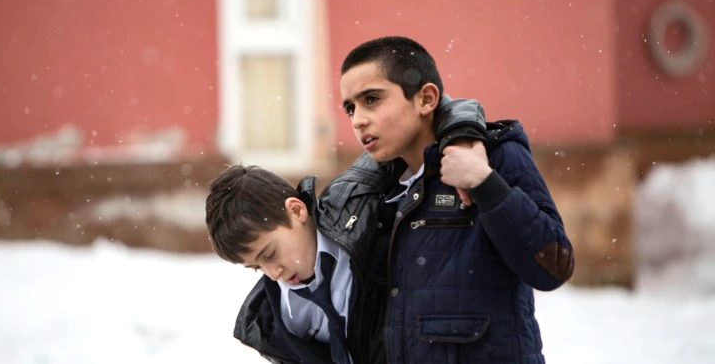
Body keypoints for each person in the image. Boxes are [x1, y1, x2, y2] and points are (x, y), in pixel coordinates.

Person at [339, 36, 575, 363]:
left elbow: (554, 266)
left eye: (372, 99)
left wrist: (485, 183)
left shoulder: (496, 156)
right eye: (350, 107)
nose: (357, 120)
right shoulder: (377, 193)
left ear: (426, 99)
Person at [206, 96, 487, 364]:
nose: (273, 273)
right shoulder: (276, 319)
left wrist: (460, 140)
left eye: (270, 253)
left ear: (296, 210)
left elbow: (431, 110)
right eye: (256, 267)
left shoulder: (355, 198)